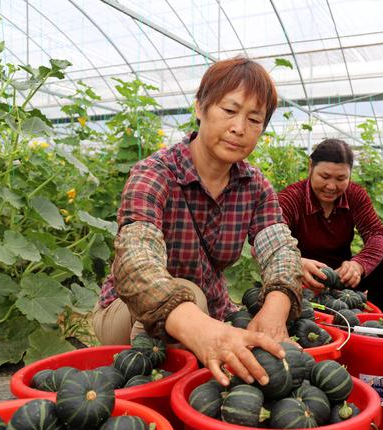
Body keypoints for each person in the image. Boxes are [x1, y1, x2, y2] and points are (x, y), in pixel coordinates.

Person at [92, 57, 303, 387]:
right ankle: (152, 386)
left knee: (260, 318)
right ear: (200, 108)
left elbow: (280, 248)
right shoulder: (155, 173)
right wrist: (206, 330)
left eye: (254, 119)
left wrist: (275, 310)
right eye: (229, 110)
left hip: (211, 316)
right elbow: (135, 261)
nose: (239, 128)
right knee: (188, 292)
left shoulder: (255, 186)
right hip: (129, 313)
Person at [277, 139, 383, 311]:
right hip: (302, 277)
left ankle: (380, 323)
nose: (331, 186)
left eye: (341, 178)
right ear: (310, 166)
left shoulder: (355, 195)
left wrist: (359, 264)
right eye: (324, 177)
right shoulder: (290, 198)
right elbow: (268, 239)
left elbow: (377, 234)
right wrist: (296, 262)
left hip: (342, 279)